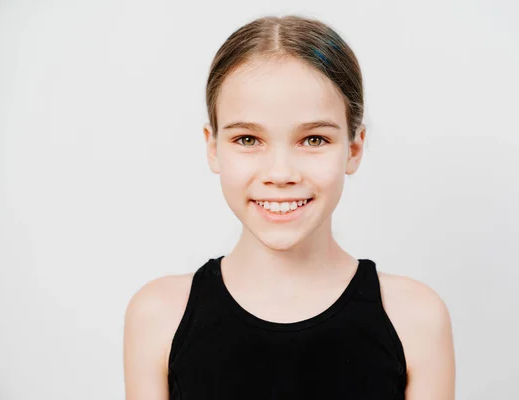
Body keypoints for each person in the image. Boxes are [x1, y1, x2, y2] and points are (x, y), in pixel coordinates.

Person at [123, 14, 455, 400]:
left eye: (313, 140)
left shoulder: (415, 319)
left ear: (355, 147)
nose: (280, 173)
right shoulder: (159, 317)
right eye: (248, 139)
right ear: (213, 148)